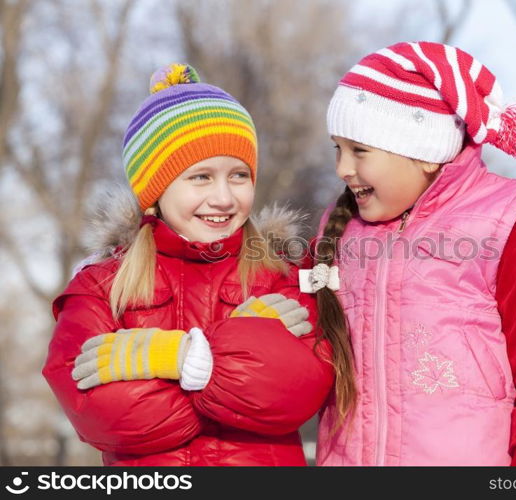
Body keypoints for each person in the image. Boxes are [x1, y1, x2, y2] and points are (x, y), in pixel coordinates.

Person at [42, 63, 335, 466]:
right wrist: (238, 353)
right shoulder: (101, 287)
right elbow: (105, 416)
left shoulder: (281, 275)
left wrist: (178, 357)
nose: (224, 198)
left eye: (238, 175)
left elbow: (294, 393)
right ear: (154, 191)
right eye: (200, 177)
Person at [307, 42, 516, 466]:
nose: (343, 168)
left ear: (425, 154)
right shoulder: (338, 229)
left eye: (360, 151)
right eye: (337, 149)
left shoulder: (513, 219)